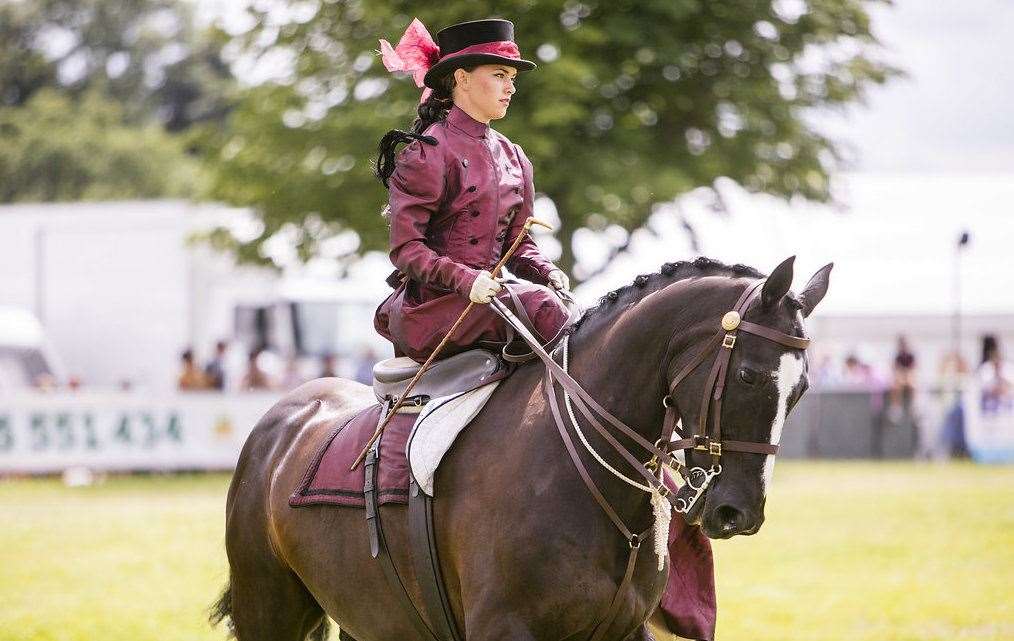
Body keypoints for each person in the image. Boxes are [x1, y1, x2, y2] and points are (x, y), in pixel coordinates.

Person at [372, 17, 571, 363]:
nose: (510, 88)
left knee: (581, 315)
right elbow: (406, 250)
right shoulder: (427, 151)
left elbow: (518, 244)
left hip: (492, 300)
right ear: (462, 78)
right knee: (544, 308)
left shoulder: (515, 157)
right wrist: (466, 280)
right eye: (498, 75)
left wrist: (547, 271)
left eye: (511, 79)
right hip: (434, 309)